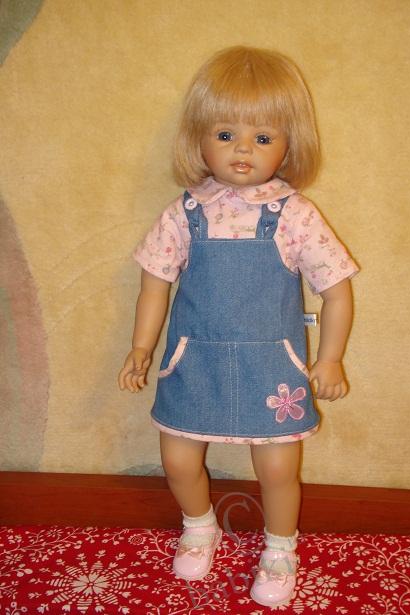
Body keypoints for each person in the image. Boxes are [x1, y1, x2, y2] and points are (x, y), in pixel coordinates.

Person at [118, 46, 358, 608]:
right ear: (198, 139)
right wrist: (140, 346)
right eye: (225, 134)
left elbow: (336, 288)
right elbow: (154, 284)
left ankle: (280, 546)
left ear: (290, 144)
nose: (243, 149)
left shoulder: (296, 216)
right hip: (193, 360)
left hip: (270, 368)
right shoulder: (184, 213)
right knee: (178, 459)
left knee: (277, 469)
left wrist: (330, 358)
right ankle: (199, 525)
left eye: (262, 136)